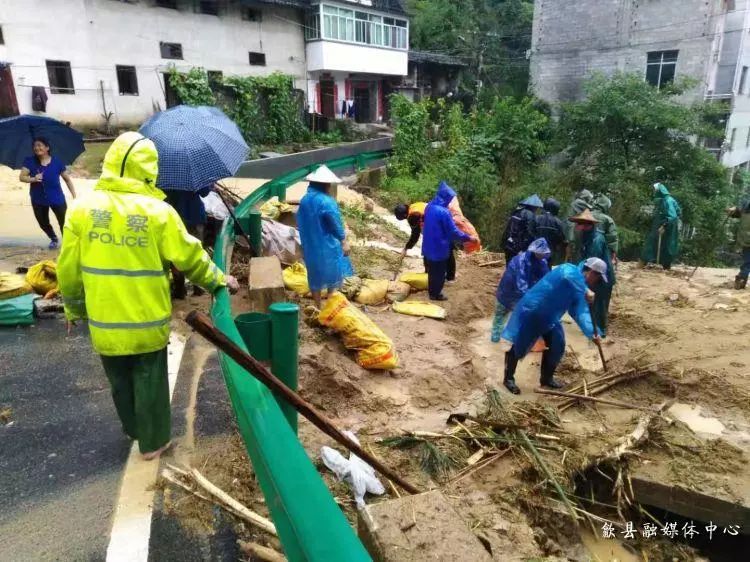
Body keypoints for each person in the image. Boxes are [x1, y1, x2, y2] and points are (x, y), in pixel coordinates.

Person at [57, 132, 239, 461]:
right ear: (149, 170)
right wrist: (217, 280)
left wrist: (74, 308)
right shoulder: (158, 213)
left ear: (111, 161)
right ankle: (153, 441)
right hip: (145, 318)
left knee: (118, 379)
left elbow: (67, 269)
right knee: (149, 378)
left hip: (104, 320)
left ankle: (134, 428)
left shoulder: (82, 210)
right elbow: (190, 257)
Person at [500, 258, 605, 395]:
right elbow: (567, 277)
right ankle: (508, 378)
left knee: (558, 343)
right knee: (521, 344)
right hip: (534, 310)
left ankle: (546, 378)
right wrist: (585, 289)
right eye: (598, 278)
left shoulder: (579, 290)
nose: (596, 282)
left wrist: (592, 333)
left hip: (550, 317)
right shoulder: (569, 269)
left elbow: (580, 312)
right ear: (592, 272)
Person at [297, 165, 351, 309]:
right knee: (332, 274)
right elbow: (335, 224)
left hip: (310, 243)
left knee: (314, 273)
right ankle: (330, 305)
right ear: (325, 184)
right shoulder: (327, 202)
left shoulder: (305, 200)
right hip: (327, 244)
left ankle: (317, 306)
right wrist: (343, 240)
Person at [19, 137, 77, 249]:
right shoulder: (29, 161)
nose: (37, 148)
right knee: (43, 222)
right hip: (38, 199)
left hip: (57, 197)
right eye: (35, 146)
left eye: (40, 145)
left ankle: (67, 244)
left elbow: (67, 179)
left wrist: (74, 195)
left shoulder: (57, 162)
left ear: (47, 148)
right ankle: (53, 238)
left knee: (64, 222)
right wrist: (33, 179)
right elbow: (22, 177)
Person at [422, 181, 476, 301]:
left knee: (431, 271)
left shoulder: (429, 206)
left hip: (428, 244)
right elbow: (453, 232)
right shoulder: (444, 212)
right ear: (446, 197)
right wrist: (469, 238)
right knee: (440, 273)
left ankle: (431, 292)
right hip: (439, 247)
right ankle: (436, 294)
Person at [491, 238, 551, 343]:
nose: (542, 255)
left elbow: (546, 280)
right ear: (534, 251)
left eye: (543, 253)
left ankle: (517, 341)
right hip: (508, 291)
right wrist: (532, 299)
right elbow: (521, 283)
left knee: (522, 317)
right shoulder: (520, 261)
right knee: (501, 315)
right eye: (540, 253)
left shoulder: (542, 262)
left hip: (524, 293)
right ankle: (495, 340)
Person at [570, 208, 615, 338]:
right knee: (592, 304)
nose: (577, 227)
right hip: (593, 276)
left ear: (587, 225)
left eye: (579, 224)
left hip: (601, 277)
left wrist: (579, 274)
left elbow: (592, 262)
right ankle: (593, 330)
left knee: (600, 306)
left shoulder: (597, 239)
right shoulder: (586, 237)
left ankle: (600, 334)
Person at [163, 185, 212, 298]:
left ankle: (179, 288)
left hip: (173, 216)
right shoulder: (191, 171)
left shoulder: (163, 172)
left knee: (174, 253)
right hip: (194, 216)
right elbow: (204, 192)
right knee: (197, 251)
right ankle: (198, 286)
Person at [641, 183, 681, 269]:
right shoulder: (666, 200)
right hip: (666, 225)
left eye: (655, 190)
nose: (654, 192)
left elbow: (672, 216)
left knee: (664, 244)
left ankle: (650, 262)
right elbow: (678, 212)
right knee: (664, 244)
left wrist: (664, 225)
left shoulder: (667, 201)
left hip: (667, 226)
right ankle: (661, 264)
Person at [501, 194, 543, 263]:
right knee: (518, 268)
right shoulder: (530, 215)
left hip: (508, 244)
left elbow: (508, 228)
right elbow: (530, 233)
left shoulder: (516, 212)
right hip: (517, 247)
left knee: (510, 266)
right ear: (534, 207)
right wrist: (526, 248)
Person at [534, 197, 567, 264]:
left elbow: (530, 233)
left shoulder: (536, 218)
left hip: (535, 252)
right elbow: (562, 239)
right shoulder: (558, 222)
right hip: (550, 253)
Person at [564, 189, 594, 260]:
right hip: (572, 227)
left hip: (571, 225)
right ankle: (574, 262)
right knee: (574, 246)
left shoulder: (576, 202)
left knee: (572, 246)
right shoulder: (579, 202)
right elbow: (591, 209)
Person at [727, 199, 750, 289]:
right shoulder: (746, 205)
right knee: (748, 262)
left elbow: (738, 213)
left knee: (747, 262)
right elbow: (737, 213)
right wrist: (733, 210)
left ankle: (741, 280)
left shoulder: (746, 205)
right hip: (747, 239)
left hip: (746, 239)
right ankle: (741, 280)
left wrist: (734, 211)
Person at [591, 194, 619, 265]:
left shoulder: (585, 214)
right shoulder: (608, 219)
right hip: (599, 251)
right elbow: (612, 239)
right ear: (605, 206)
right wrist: (613, 256)